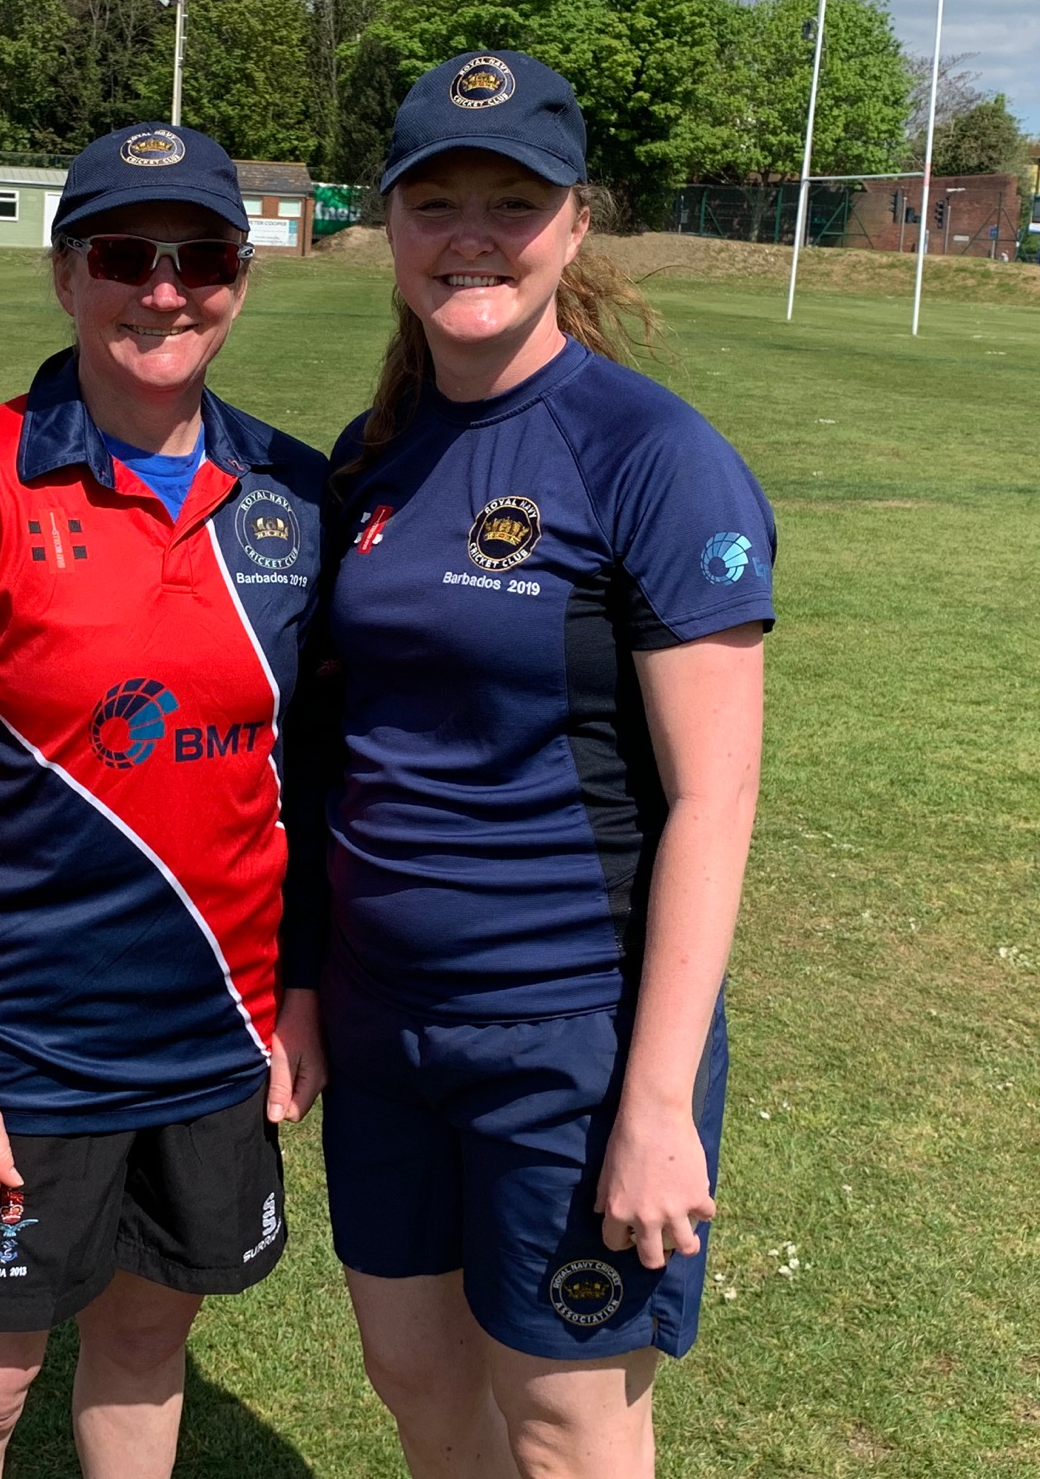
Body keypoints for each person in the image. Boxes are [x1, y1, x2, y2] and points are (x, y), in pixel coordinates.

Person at [303, 51, 777, 1479]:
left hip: (568, 1040)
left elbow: (715, 795)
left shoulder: (651, 454)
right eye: (435, 200)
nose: (470, 235)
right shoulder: (368, 454)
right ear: (389, 224)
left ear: (574, 225)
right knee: (418, 1381)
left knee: (568, 1428)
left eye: (510, 202)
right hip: (389, 1033)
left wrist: (652, 1102)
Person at [0, 123, 329, 1479]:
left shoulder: (294, 490)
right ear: (66, 275)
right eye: (125, 254)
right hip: (17, 1045)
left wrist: (301, 993)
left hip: (216, 1040)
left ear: (242, 273)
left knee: (143, 1349)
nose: (163, 289)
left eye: (202, 257)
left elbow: (320, 774)